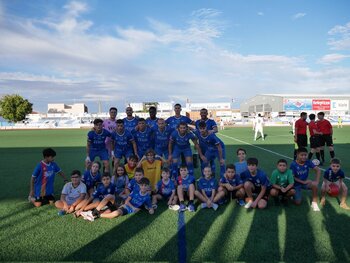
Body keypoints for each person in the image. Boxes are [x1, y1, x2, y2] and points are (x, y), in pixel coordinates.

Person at [81, 177, 154, 221]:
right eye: (142, 185)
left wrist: (151, 210)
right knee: (109, 196)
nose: (143, 187)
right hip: (124, 203)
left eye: (145, 186)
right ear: (139, 186)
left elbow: (150, 208)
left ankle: (95, 215)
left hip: (128, 209)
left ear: (148, 187)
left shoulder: (147, 197)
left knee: (116, 213)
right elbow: (127, 201)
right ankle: (94, 212)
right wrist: (134, 208)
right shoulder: (135, 191)